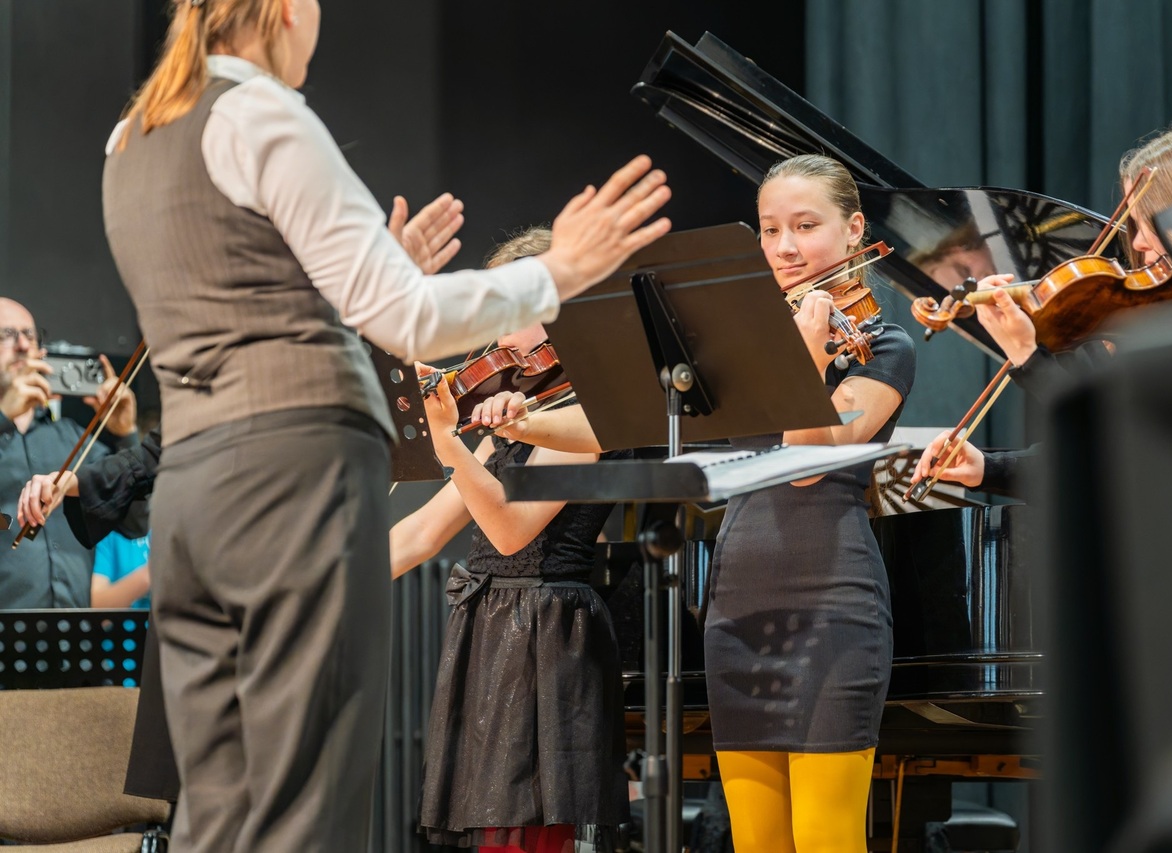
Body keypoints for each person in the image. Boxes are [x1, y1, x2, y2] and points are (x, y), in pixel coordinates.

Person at [98, 1, 671, 850]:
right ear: (287, 10)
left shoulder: (130, 137)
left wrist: (374, 275)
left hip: (192, 490)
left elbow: (247, 307)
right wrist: (558, 271)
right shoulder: (261, 114)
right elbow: (410, 318)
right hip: (288, 484)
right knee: (304, 799)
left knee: (219, 802)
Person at [476, 153, 917, 853]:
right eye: (770, 229)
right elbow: (618, 423)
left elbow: (807, 466)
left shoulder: (884, 346)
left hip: (833, 606)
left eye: (805, 226)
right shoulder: (739, 345)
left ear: (855, 229)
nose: (784, 247)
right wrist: (521, 422)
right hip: (736, 607)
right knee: (757, 841)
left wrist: (805, 352)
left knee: (826, 836)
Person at [389, 227, 631, 853]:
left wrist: (447, 442)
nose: (498, 337)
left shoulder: (593, 410)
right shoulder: (520, 412)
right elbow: (421, 533)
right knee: (497, 831)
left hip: (549, 630)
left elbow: (508, 528)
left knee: (530, 831)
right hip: (494, 623)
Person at [910, 118, 1172, 498]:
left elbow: (1134, 449)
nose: (1137, 243)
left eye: (1148, 223)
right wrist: (989, 469)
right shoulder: (1161, 313)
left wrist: (1028, 357)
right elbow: (1098, 461)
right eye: (1134, 223)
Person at [0, 297, 144, 609]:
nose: (23, 345)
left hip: (73, 631)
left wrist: (125, 436)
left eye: (30, 335)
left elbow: (136, 523)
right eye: (6, 335)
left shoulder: (73, 438)